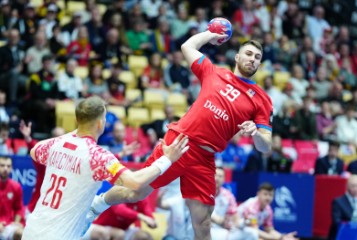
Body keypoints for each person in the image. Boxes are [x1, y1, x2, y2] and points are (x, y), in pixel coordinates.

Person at [88, 30, 274, 240]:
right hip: (178, 144)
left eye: (257, 57)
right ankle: (96, 205)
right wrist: (210, 33)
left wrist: (256, 133)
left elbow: (265, 146)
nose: (252, 59)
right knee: (136, 192)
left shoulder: (262, 100)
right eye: (248, 54)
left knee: (203, 223)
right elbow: (187, 47)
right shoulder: (214, 72)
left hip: (204, 158)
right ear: (237, 57)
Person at [22, 96, 189, 240]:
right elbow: (136, 182)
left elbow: (34, 150)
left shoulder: (56, 144)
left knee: (106, 198)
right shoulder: (97, 156)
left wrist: (73, 134)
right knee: (126, 191)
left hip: (32, 230)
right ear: (101, 123)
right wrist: (168, 159)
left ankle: (101, 202)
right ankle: (101, 203)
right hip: (60, 235)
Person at [82, 198, 156, 240]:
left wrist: (152, 222)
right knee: (119, 234)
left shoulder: (143, 199)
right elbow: (119, 209)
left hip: (124, 229)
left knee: (146, 237)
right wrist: (140, 216)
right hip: (101, 226)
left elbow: (148, 213)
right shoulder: (120, 193)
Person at [328, 175, 357, 240]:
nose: (355, 189)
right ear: (347, 186)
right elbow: (337, 222)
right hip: (343, 235)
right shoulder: (338, 202)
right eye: (353, 186)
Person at [0, 156, 24, 240]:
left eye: (8, 166)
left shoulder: (16, 186)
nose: (5, 168)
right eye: (2, 165)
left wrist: (16, 222)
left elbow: (19, 208)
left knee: (20, 233)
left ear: (11, 168)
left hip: (8, 225)